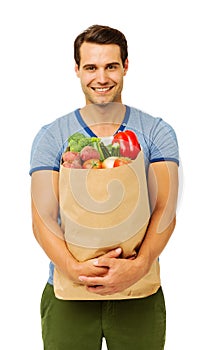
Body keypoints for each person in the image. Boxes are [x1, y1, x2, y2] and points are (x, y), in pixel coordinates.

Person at [30, 24, 179, 350]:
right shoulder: (52, 135)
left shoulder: (155, 132)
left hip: (139, 290)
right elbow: (43, 217)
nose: (102, 77)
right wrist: (73, 269)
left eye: (111, 66)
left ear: (126, 66)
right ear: (77, 70)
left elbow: (165, 209)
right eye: (91, 67)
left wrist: (139, 265)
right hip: (68, 292)